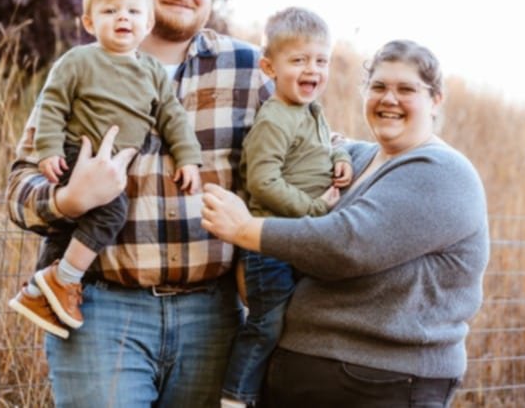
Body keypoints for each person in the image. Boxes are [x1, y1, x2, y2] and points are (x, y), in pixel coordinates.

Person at [5, 0, 273, 407]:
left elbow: (309, 144)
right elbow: (19, 191)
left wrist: (370, 160)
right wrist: (68, 199)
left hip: (213, 317)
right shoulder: (82, 66)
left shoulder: (248, 69)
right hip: (101, 311)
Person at [201, 39, 490, 408]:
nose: (389, 99)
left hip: (387, 382)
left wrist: (245, 231)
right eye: (378, 86)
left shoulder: (442, 172)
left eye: (406, 89)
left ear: (435, 100)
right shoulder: (353, 159)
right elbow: (294, 165)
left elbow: (348, 245)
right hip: (300, 369)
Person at [8, 0, 202, 339]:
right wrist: (48, 150)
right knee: (111, 212)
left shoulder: (151, 71)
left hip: (114, 165)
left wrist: (188, 158)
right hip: (77, 156)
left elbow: (172, 116)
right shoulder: (79, 60)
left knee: (69, 231)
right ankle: (64, 280)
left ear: (148, 24)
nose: (122, 17)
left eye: (133, 12)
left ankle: (38, 292)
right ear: (89, 22)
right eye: (110, 11)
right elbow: (52, 105)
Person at [220, 7, 352, 408]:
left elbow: (328, 142)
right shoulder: (275, 118)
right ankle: (235, 396)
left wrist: (341, 157)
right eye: (299, 60)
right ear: (269, 67)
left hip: (297, 240)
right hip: (270, 242)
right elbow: (263, 182)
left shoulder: (311, 111)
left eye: (321, 61)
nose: (312, 70)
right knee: (267, 323)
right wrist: (314, 209)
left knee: (293, 324)